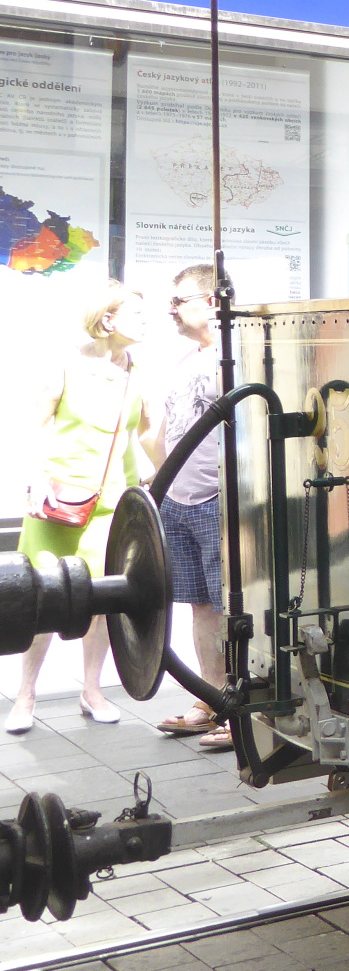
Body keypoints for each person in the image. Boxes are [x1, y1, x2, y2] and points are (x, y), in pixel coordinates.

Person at [8, 284, 154, 734]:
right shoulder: (66, 363)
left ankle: (91, 690)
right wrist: (34, 477)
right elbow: (34, 427)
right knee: (41, 596)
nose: (146, 321)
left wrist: (156, 480)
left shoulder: (137, 371)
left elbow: (146, 432)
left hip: (112, 504)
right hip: (58, 500)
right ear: (107, 320)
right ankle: (26, 693)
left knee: (102, 598)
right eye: (137, 314)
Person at [150, 266, 232, 750]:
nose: (172, 310)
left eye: (179, 301)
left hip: (220, 498)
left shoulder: (236, 358)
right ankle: (211, 696)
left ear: (212, 301)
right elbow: (167, 429)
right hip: (179, 500)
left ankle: (242, 710)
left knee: (232, 605)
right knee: (202, 606)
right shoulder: (184, 361)